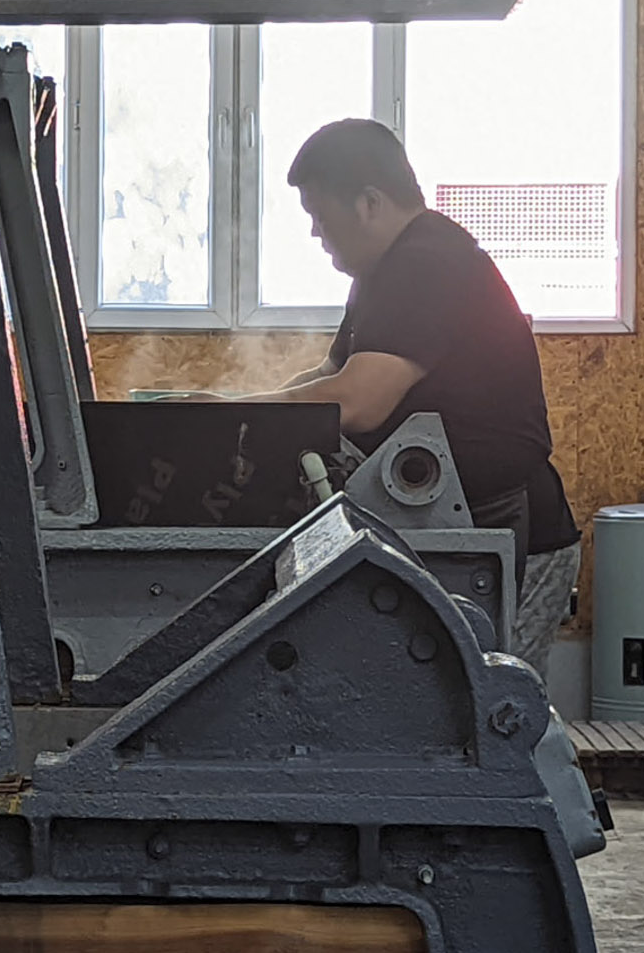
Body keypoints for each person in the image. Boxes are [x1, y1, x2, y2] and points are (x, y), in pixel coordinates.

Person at [207, 117, 580, 673]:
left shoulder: (427, 263)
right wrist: (236, 412)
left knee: (499, 717)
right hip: (449, 528)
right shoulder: (381, 271)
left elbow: (358, 402)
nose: (314, 233)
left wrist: (234, 417)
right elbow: (331, 372)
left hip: (506, 534)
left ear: (368, 203)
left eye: (318, 214)